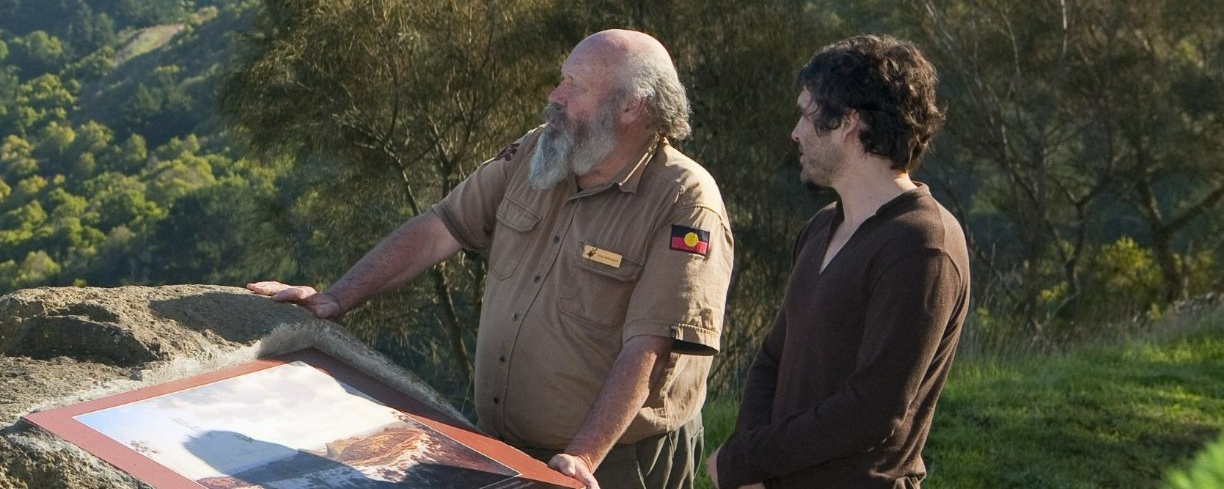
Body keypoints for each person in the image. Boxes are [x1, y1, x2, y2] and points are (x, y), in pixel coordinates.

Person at [247, 29, 732, 489]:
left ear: (631, 105)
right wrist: (336, 297)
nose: (555, 96)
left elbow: (650, 346)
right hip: (504, 445)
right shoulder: (540, 151)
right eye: (562, 78)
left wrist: (582, 456)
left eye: (575, 86)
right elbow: (441, 228)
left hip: (615, 464)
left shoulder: (685, 202)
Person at [708, 35, 968, 489]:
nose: (796, 132)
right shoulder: (822, 225)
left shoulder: (922, 244)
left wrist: (749, 459)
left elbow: (873, 408)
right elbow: (773, 358)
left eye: (808, 115)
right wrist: (749, 463)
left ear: (850, 124)